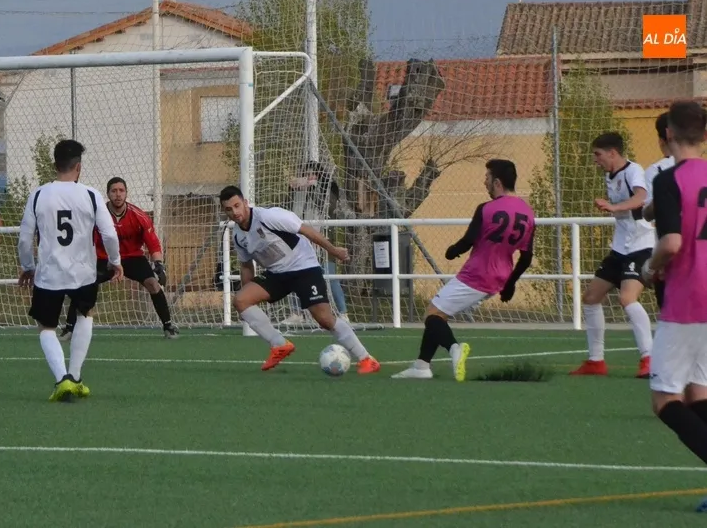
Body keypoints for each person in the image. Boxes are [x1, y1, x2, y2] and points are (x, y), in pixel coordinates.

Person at [392, 159, 535, 381]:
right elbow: (526, 257)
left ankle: (454, 349)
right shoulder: (527, 212)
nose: (484, 181)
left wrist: (452, 251)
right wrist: (510, 284)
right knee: (440, 312)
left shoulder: (486, 209)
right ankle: (421, 366)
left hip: (477, 275)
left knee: (432, 315)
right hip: (499, 278)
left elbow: (469, 240)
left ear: (497, 182)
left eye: (487, 177)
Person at [218, 185, 380, 373]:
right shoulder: (238, 236)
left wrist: (334, 251)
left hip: (304, 268)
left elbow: (306, 230)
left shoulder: (270, 216)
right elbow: (246, 265)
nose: (235, 212)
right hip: (277, 274)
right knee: (241, 300)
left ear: (245, 202)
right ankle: (279, 345)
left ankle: (366, 359)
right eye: (229, 209)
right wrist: (248, 295)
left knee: (325, 320)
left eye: (237, 205)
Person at [640, 101, 707, 511]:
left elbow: (672, 243)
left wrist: (650, 268)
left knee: (665, 401)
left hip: (687, 299)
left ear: (667, 136)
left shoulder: (668, 180)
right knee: (699, 393)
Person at [19, 140, 122, 401]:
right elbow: (109, 233)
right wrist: (115, 260)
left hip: (49, 273)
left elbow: (24, 238)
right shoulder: (90, 194)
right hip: (83, 273)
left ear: (55, 165)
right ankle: (74, 377)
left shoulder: (39, 194)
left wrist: (28, 267)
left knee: (46, 326)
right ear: (78, 167)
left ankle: (61, 378)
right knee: (85, 315)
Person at [570, 132, 655, 379]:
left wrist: (614, 207)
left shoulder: (633, 170)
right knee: (591, 297)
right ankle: (596, 361)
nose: (596, 160)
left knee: (627, 299)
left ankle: (649, 359)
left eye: (598, 155)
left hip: (641, 245)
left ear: (612, 153)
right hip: (620, 247)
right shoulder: (610, 175)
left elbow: (640, 198)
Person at [59, 177, 178, 340]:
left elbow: (153, 244)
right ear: (108, 194)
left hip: (132, 258)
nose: (118, 194)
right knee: (84, 284)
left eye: (121, 190)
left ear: (126, 193)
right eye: (114, 191)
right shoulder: (96, 216)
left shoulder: (139, 216)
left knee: (153, 284)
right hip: (104, 259)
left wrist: (159, 264)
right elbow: (84, 239)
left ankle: (168, 326)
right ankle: (69, 329)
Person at [282, 161, 350, 325]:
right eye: (305, 174)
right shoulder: (297, 192)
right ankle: (296, 313)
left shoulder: (328, 190)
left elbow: (326, 207)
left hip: (322, 241)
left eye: (312, 174)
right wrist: (293, 188)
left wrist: (312, 186)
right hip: (300, 241)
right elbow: (286, 209)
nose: (307, 177)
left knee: (330, 276)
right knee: (294, 275)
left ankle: (343, 313)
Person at [641, 112, 675, 309]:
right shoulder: (702, 170)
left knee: (670, 324)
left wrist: (653, 264)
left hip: (672, 260)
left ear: (664, 138)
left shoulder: (658, 172)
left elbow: (648, 213)